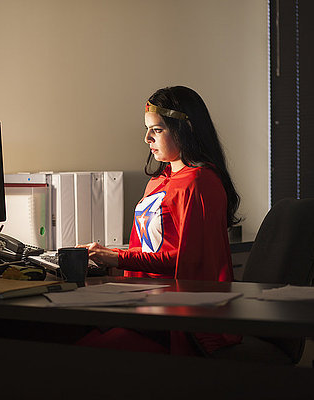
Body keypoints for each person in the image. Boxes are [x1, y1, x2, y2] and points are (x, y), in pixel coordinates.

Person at [77, 86, 241, 354]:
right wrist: (110, 254)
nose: (146, 139)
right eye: (147, 129)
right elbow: (150, 250)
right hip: (145, 305)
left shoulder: (200, 182)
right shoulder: (158, 180)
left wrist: (115, 257)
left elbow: (185, 262)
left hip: (179, 318)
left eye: (157, 129)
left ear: (184, 130)